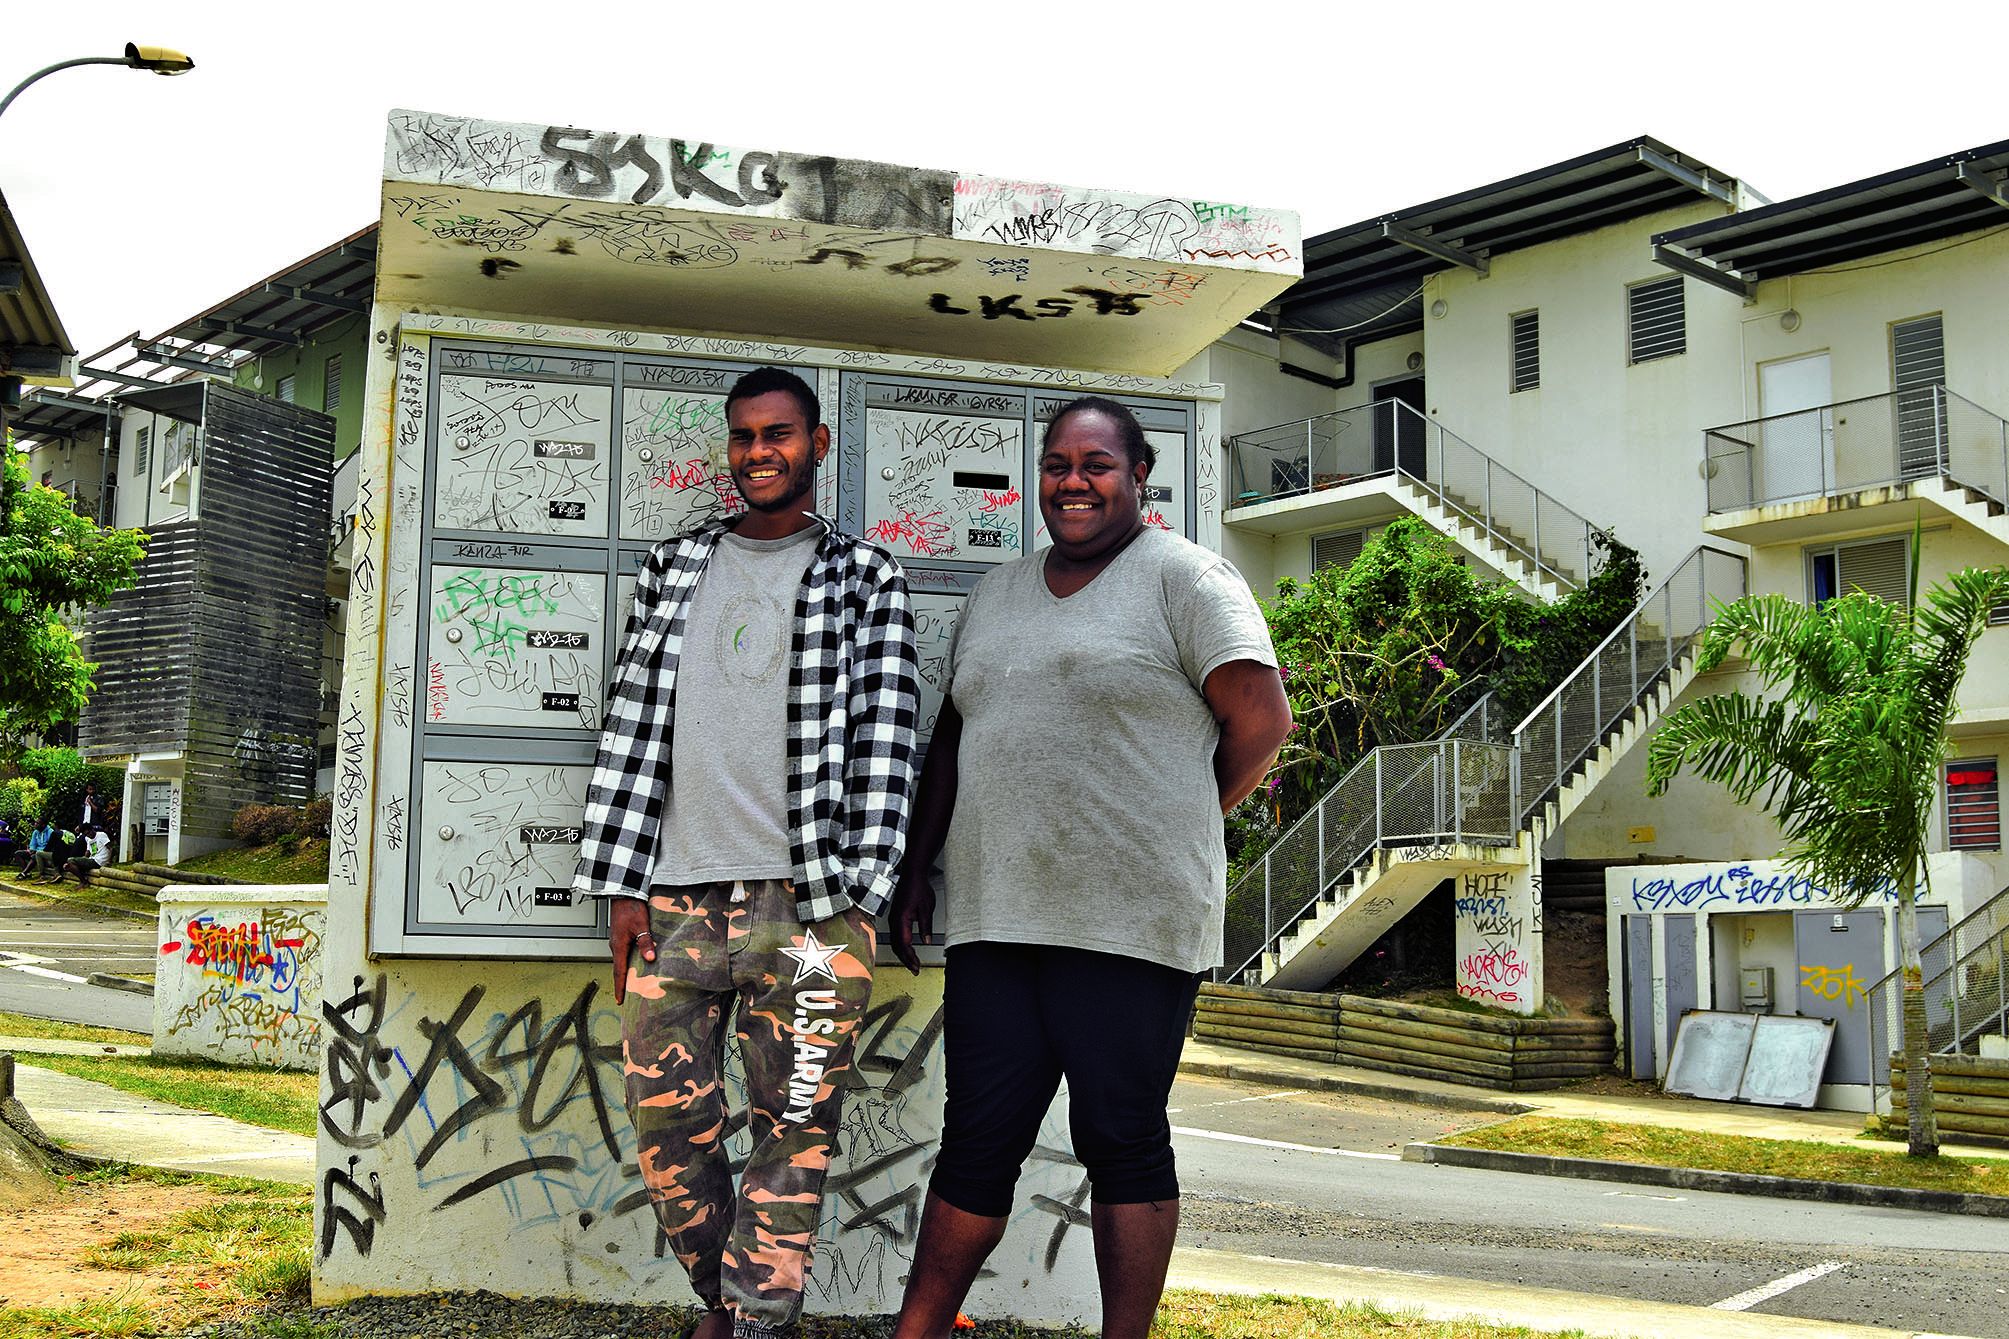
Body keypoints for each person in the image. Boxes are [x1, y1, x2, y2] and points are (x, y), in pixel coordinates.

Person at [888, 396, 1294, 1339]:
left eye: (1097, 464)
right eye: (1058, 463)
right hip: (999, 913)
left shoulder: (1187, 581)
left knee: (1120, 1139)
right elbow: (954, 733)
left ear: (1138, 475)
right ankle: (914, 1331)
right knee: (978, 1138)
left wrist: (1176, 818)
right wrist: (920, 864)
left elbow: (1260, 723)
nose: (1074, 482)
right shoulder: (997, 593)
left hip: (1128, 923)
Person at [574, 366, 920, 1339]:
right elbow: (629, 727)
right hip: (675, 895)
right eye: (742, 436)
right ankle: (721, 1295)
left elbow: (888, 755)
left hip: (808, 904)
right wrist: (621, 882)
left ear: (816, 444)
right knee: (665, 1125)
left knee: (793, 1125)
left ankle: (751, 1321)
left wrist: (858, 897)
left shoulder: (866, 578)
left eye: (776, 434)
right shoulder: (673, 566)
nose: (757, 452)